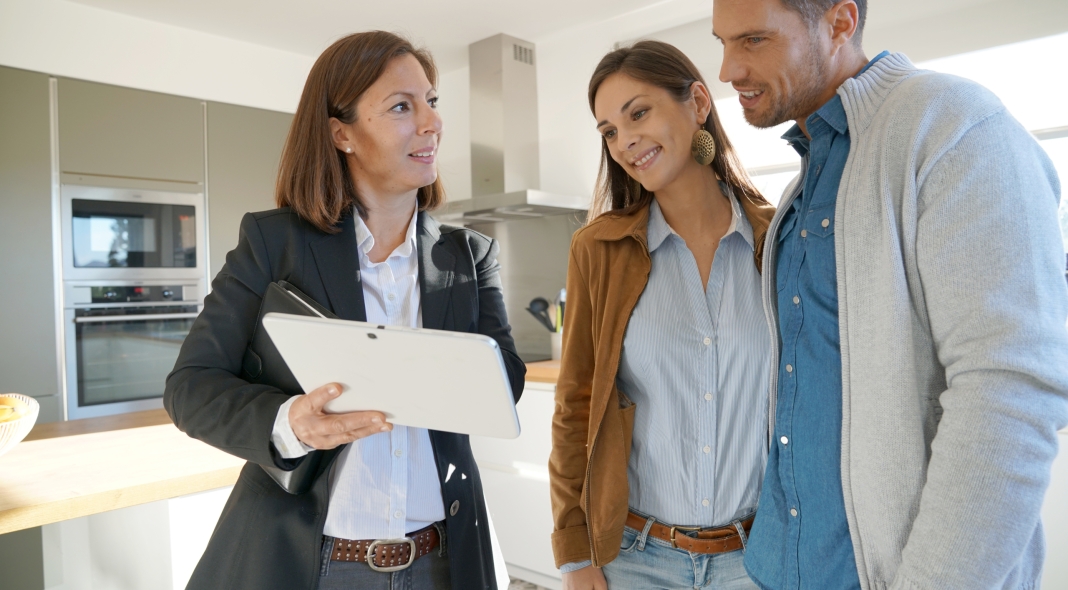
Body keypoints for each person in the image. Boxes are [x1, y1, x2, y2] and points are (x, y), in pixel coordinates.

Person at [712, 0, 1068, 588]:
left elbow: (1011, 391)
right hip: (780, 568)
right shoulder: (811, 176)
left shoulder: (952, 124)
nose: (727, 69)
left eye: (753, 40)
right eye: (723, 42)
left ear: (840, 22)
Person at [164, 31, 525, 590]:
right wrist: (292, 425)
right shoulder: (273, 241)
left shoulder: (469, 256)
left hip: (441, 560)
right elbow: (191, 386)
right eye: (402, 107)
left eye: (432, 101)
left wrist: (449, 373)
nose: (431, 123)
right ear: (342, 133)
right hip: (313, 563)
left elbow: (509, 379)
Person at [549, 40, 777, 590]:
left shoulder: (779, 240)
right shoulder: (598, 250)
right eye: (608, 130)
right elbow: (576, 408)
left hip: (757, 560)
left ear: (698, 102)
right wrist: (576, 557)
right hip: (634, 558)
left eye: (638, 113)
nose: (624, 141)